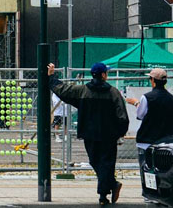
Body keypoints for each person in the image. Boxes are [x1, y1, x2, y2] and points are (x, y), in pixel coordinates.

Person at [48, 62, 128, 206]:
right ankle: (107, 190)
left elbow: (62, 90)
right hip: (109, 136)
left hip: (89, 134)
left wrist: (52, 77)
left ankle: (105, 193)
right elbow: (122, 116)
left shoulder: (83, 91)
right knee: (107, 163)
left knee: (95, 161)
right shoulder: (113, 93)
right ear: (103, 75)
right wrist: (120, 133)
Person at [126, 67, 173, 152]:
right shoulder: (171, 98)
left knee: (146, 164)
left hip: (147, 140)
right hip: (166, 141)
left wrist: (136, 103)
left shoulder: (147, 97)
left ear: (153, 80)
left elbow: (140, 115)